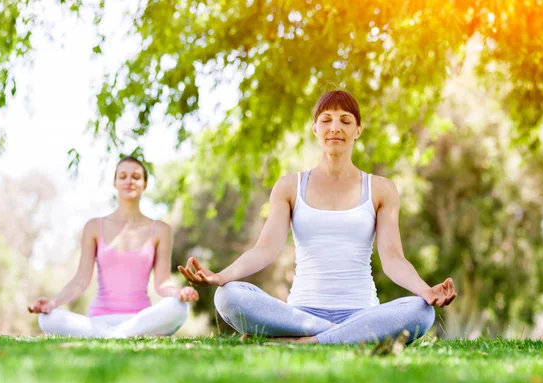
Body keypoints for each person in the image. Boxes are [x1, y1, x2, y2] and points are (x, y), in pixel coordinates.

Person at [179, 90, 457, 344]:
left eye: (345, 120)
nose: (335, 127)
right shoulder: (290, 186)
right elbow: (264, 250)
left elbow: (393, 259)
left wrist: (426, 291)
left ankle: (305, 341)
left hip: (361, 311)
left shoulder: (381, 189)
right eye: (326, 120)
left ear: (358, 130)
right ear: (315, 128)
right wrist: (221, 277)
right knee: (228, 296)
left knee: (421, 312)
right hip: (300, 314)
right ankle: (339, 335)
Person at [28, 156, 198, 337]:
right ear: (115, 183)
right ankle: (118, 335)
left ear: (145, 184)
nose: (129, 181)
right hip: (99, 321)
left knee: (179, 307)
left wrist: (179, 293)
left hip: (140, 320)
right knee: (46, 319)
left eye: (136, 177)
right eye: (123, 176)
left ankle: (114, 335)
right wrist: (52, 303)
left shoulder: (160, 230)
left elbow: (162, 283)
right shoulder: (94, 227)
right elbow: (81, 281)